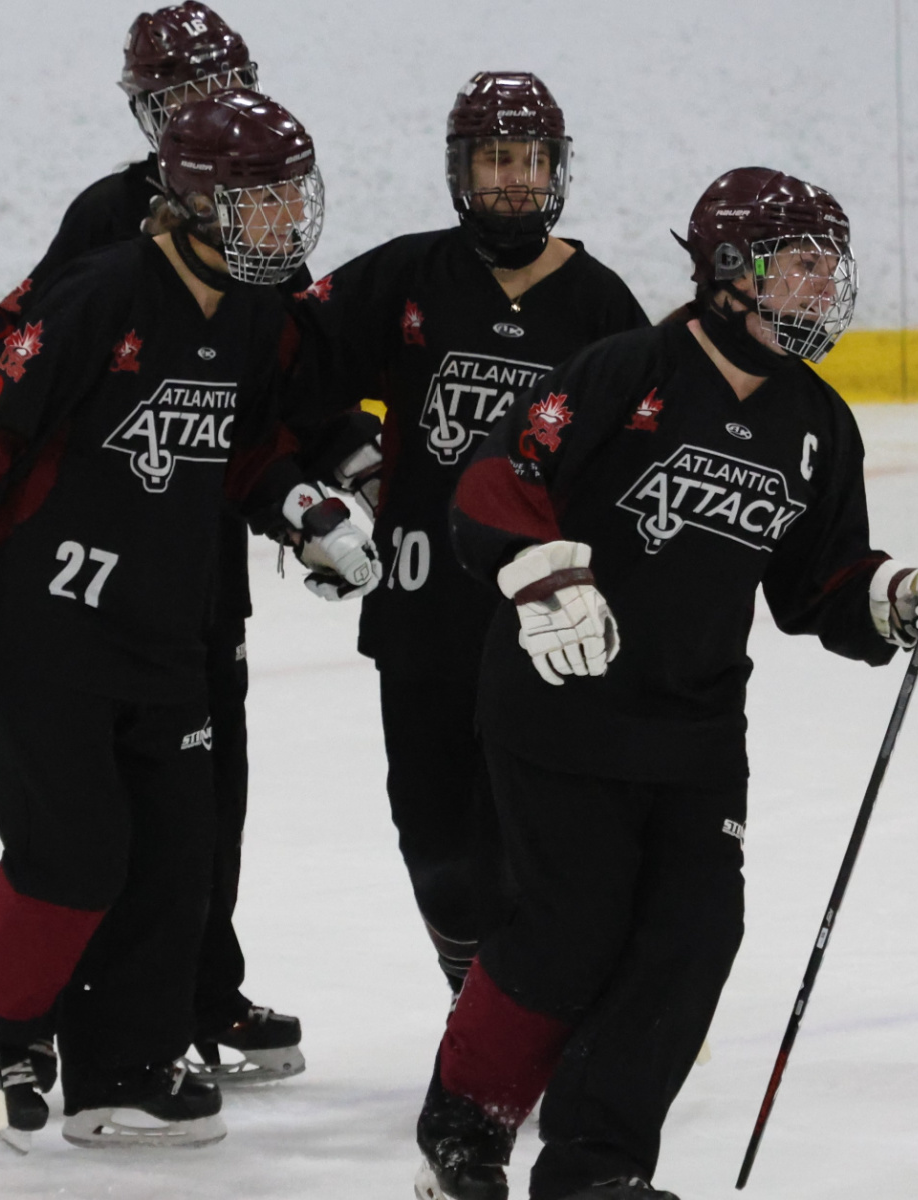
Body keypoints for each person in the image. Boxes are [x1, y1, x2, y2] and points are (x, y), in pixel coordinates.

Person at [412, 167, 918, 1200]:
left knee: (691, 938)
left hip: (697, 726)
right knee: (566, 930)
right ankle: (463, 1134)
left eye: (826, 269)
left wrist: (891, 596)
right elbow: (500, 478)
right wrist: (547, 577)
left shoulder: (817, 424)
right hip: (559, 704)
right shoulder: (626, 369)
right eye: (797, 266)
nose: (818, 289)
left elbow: (818, 582)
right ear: (728, 274)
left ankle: (594, 1169)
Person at [0, 90, 359, 1149]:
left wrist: (302, 510)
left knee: (170, 859)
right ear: (194, 197)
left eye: (292, 196)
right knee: (76, 854)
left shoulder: (250, 309)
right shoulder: (101, 294)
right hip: (42, 621)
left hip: (165, 624)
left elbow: (239, 448)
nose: (286, 220)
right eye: (261, 199)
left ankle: (126, 1066)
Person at [0, 3, 310, 1086]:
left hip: (199, 563)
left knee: (200, 812)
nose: (205, 111)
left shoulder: (263, 213)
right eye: (178, 97)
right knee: (85, 818)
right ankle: (33, 1026)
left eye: (219, 85)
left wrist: (319, 487)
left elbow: (275, 391)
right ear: (148, 115)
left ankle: (191, 999)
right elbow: (19, 359)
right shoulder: (110, 222)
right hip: (95, 565)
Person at [291, 71, 648, 993]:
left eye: (529, 161)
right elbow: (285, 366)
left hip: (537, 620)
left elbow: (641, 462)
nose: (513, 183)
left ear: (558, 170)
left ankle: (530, 999)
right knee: (432, 830)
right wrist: (337, 466)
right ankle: (479, 992)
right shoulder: (406, 275)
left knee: (533, 829)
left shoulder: (602, 306)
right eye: (493, 161)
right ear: (460, 172)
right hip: (420, 611)